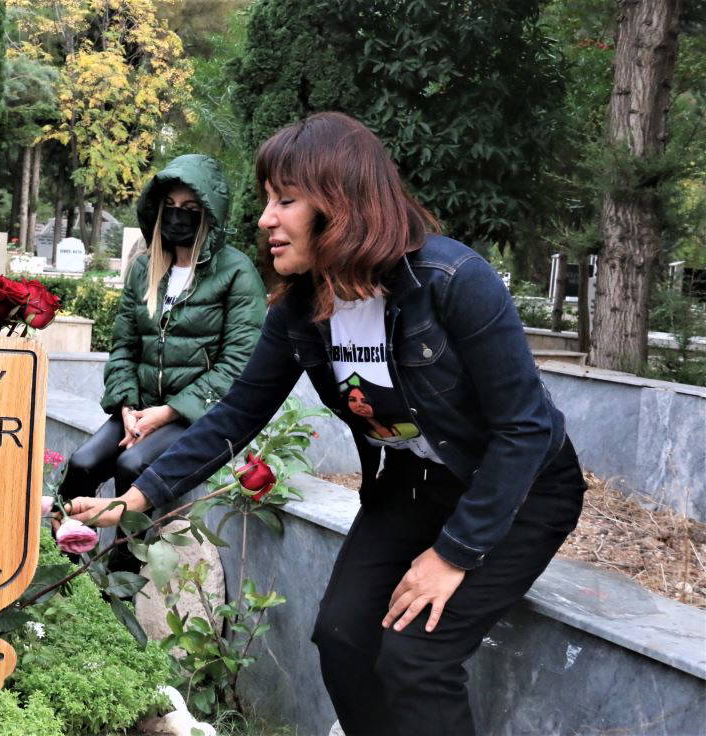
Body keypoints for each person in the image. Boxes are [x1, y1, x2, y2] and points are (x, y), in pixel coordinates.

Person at [64, 113, 587, 734]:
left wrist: (453, 555)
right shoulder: (302, 310)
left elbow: (524, 429)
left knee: (417, 657)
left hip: (521, 489)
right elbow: (237, 413)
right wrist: (136, 499)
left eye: (285, 200)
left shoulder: (453, 281)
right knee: (341, 637)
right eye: (267, 200)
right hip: (417, 485)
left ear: (343, 203)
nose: (266, 219)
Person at [56, 154, 265, 572]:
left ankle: (121, 575)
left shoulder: (236, 273)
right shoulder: (145, 268)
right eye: (169, 206)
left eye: (190, 208)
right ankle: (60, 563)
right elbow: (124, 346)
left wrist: (167, 412)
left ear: (208, 213)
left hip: (194, 414)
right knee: (81, 464)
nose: (177, 215)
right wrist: (127, 406)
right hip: (140, 409)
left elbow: (237, 364)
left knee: (132, 465)